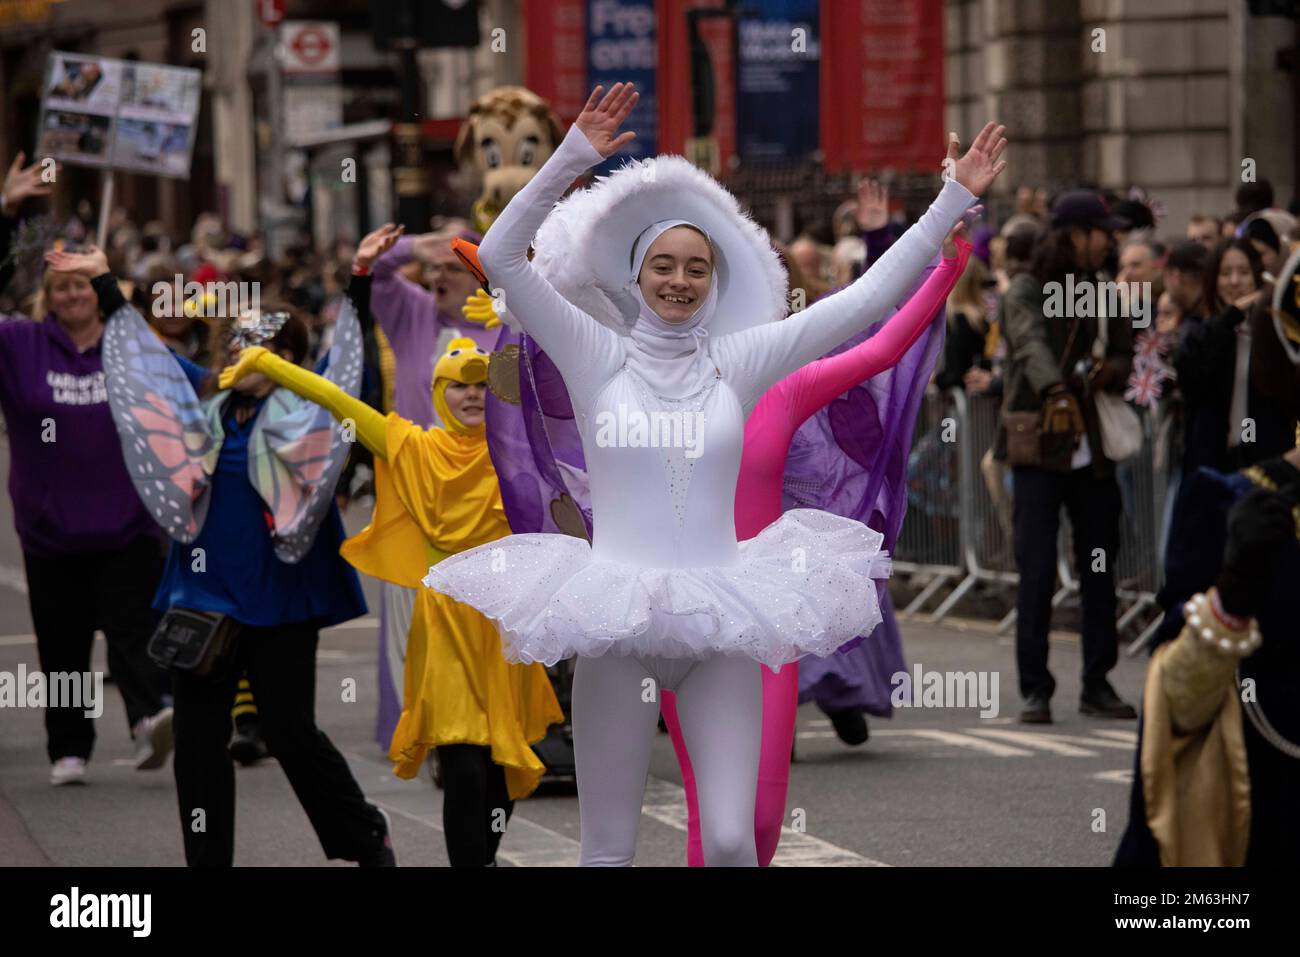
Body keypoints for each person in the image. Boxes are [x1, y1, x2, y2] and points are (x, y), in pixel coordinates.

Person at [422, 81, 1002, 865]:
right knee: (607, 852)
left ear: (717, 280)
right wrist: (573, 157)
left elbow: (865, 304)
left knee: (731, 842)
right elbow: (497, 258)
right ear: (636, 274)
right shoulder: (595, 353)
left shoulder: (743, 360)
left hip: (721, 616)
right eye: (663, 265)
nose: (680, 280)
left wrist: (949, 200)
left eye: (698, 267)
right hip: (617, 625)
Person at [47, 243, 396, 866]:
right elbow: (141, 355)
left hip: (282, 597)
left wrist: (358, 280)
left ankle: (364, 836)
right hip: (202, 597)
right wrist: (103, 281)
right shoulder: (201, 404)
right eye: (236, 341)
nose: (241, 351)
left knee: (291, 732)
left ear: (288, 359)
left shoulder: (315, 413)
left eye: (258, 343)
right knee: (200, 740)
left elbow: (351, 367)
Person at [219, 260, 563, 866]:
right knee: (460, 759)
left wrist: (519, 319)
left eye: (484, 384)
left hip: (509, 621)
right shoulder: (412, 445)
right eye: (459, 384)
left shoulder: (517, 450)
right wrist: (269, 363)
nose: (472, 395)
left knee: (500, 761)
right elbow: (336, 399)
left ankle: (480, 860)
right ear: (437, 391)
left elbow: (560, 381)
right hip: (448, 622)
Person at [2, 239, 174, 787]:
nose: (74, 293)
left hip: (129, 522)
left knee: (135, 631)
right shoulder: (21, 344)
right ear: (46, 299)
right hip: (51, 530)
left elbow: (155, 359)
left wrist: (101, 274)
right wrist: (7, 218)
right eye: (63, 286)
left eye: (82, 285)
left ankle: (151, 719)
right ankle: (69, 746)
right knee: (62, 644)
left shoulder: (126, 344)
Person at [994, 190, 1136, 724]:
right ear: (1077, 234)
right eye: (1103, 233)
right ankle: (1036, 690)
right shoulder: (1026, 289)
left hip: (1092, 450)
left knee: (1100, 568)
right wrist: (1056, 391)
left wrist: (1107, 373)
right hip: (1038, 448)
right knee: (1036, 572)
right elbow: (1028, 344)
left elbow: (1126, 350)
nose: (1110, 242)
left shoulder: (1104, 291)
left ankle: (1097, 683)